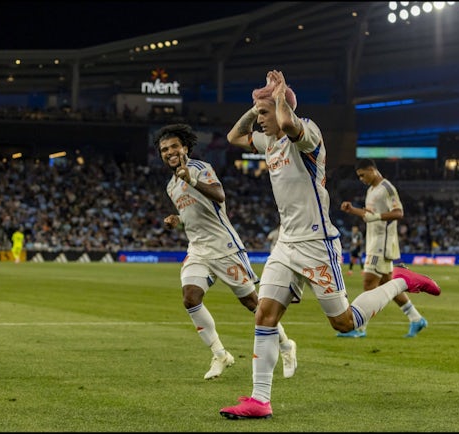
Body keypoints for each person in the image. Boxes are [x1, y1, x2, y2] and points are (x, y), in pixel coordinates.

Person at [219, 70, 440, 419]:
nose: (259, 122)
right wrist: (257, 104)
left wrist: (278, 99)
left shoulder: (307, 133)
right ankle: (260, 400)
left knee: (345, 322)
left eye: (264, 115)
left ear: (282, 109)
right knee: (265, 313)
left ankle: (400, 280)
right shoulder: (269, 143)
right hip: (287, 244)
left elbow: (290, 126)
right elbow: (234, 136)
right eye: (259, 115)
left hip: (317, 244)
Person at [154, 123, 298, 381]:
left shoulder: (200, 168)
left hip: (224, 247)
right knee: (190, 298)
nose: (170, 151)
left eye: (174, 146)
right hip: (198, 249)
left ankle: (287, 346)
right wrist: (178, 221)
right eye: (164, 149)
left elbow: (219, 196)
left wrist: (193, 179)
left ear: (185, 148)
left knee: (253, 303)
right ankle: (220, 354)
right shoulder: (171, 186)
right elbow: (193, 215)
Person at [338, 158, 428, 338]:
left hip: (382, 243)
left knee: (369, 283)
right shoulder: (371, 190)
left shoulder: (387, 188)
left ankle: (360, 328)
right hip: (373, 240)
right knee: (388, 285)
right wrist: (353, 210)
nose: (361, 179)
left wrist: (377, 217)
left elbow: (398, 212)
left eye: (363, 175)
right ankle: (416, 319)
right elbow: (369, 215)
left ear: (372, 170)